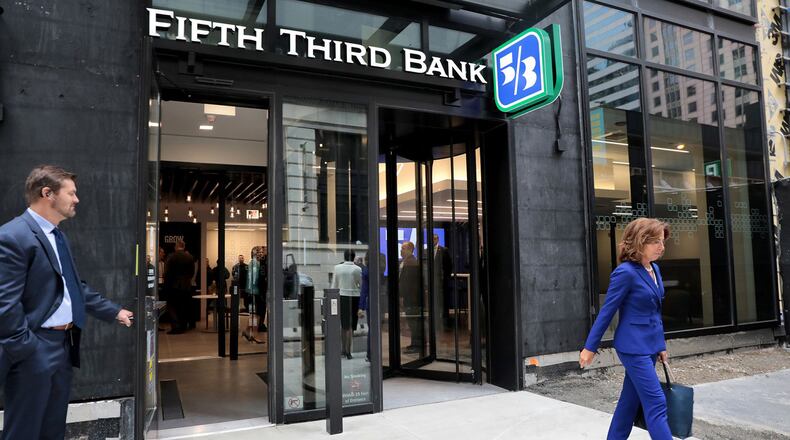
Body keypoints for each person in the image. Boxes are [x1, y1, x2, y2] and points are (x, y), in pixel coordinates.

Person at [0, 165, 134, 440]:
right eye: (71, 193)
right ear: (47, 193)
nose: (77, 199)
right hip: (34, 348)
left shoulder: (58, 236)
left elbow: (73, 289)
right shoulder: (13, 236)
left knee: (53, 427)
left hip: (63, 346)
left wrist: (114, 311)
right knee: (24, 430)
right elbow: (5, 303)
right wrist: (27, 347)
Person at [579, 218, 671, 440]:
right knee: (656, 402)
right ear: (640, 242)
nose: (662, 246)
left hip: (649, 346)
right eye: (655, 242)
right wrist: (590, 347)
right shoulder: (626, 273)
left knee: (629, 403)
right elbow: (607, 312)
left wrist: (661, 346)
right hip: (632, 346)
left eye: (662, 241)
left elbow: (655, 313)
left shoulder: (654, 269)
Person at [332, 249, 362, 359]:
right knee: (351, 326)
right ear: (353, 257)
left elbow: (334, 285)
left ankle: (343, 349)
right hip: (354, 297)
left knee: (343, 325)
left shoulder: (337, 268)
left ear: (344, 256)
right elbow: (361, 285)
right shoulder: (357, 269)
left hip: (341, 296)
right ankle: (349, 351)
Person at [164, 240, 195, 334]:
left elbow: (167, 272)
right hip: (186, 286)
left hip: (174, 286)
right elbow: (192, 272)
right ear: (184, 246)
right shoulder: (189, 257)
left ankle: (176, 327)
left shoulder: (171, 257)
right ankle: (183, 326)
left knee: (173, 306)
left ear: (176, 246)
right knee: (184, 306)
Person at [399, 241, 422, 354]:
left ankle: (417, 345)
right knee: (412, 321)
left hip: (412, 298)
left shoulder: (412, 263)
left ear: (409, 250)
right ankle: (414, 343)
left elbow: (409, 284)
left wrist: (403, 296)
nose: (401, 251)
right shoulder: (407, 261)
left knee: (414, 322)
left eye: (403, 248)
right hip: (410, 297)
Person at [357, 254, 371, 362]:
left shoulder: (366, 271)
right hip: (382, 301)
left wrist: (361, 307)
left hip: (370, 303)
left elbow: (364, 290)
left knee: (372, 329)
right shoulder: (382, 269)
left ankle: (370, 354)